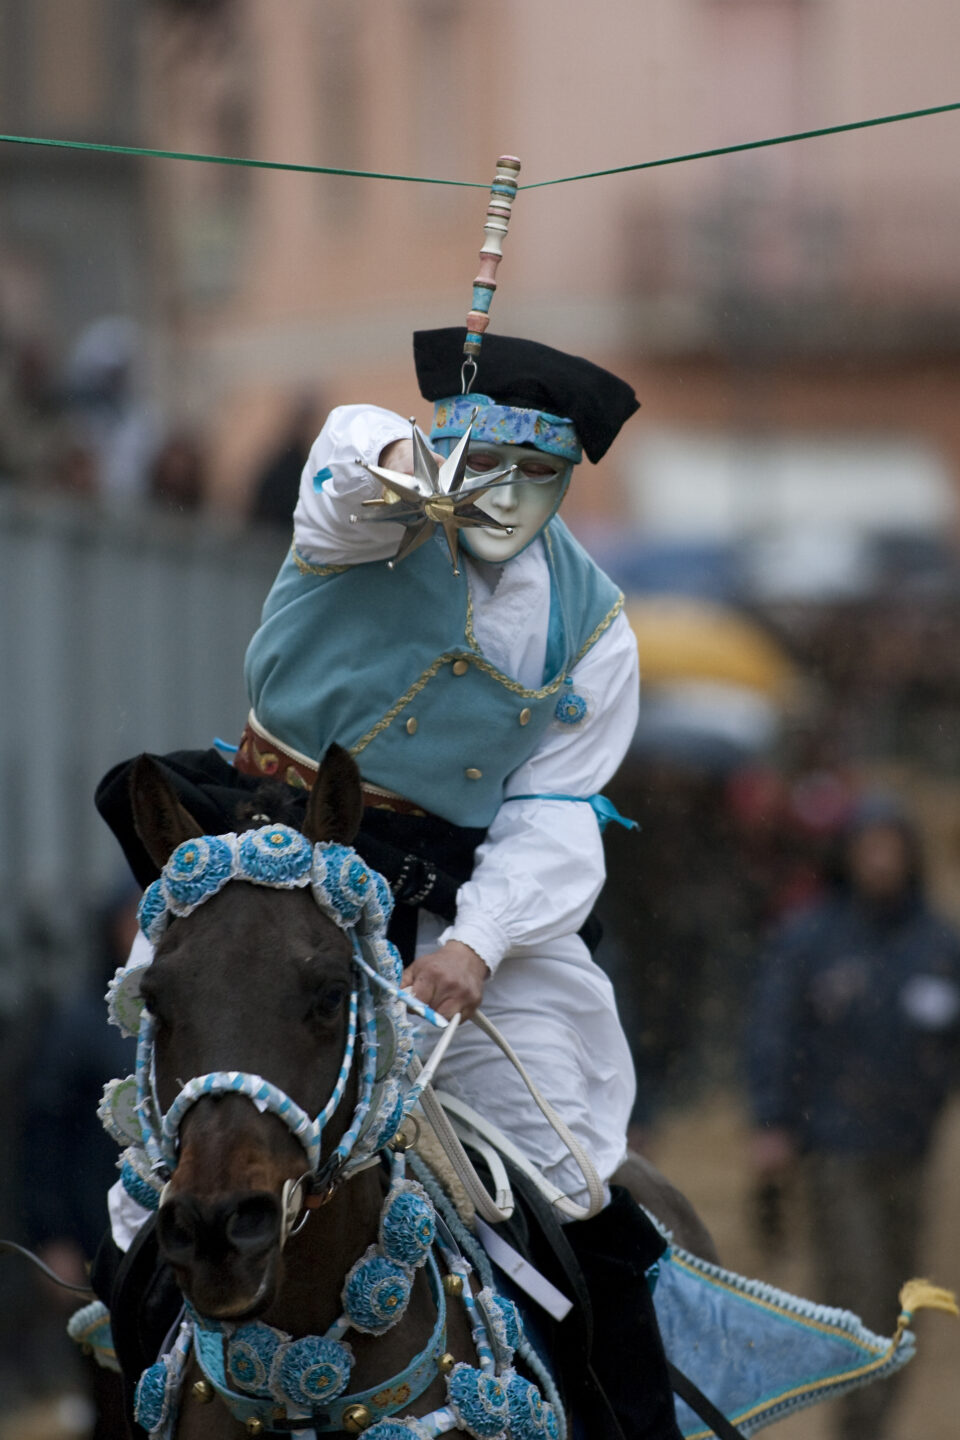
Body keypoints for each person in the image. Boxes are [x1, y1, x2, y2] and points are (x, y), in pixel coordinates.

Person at [96, 328, 683, 1438]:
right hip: (268, 855)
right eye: (482, 466)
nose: (503, 496)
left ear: (567, 481)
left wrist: (477, 944)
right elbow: (342, 463)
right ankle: (128, 1385)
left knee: (568, 1181)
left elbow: (555, 806)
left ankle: (621, 1407)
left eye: (534, 476)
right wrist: (412, 478)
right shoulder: (364, 509)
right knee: (160, 1170)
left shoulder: (596, 625)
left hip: (460, 901)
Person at [746, 792, 960, 1440]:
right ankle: (855, 1426)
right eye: (870, 848)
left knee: (907, 1299)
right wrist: (773, 1121)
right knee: (859, 1293)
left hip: (910, 1147)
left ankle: (875, 1422)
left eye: (893, 848)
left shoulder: (936, 942)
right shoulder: (811, 936)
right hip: (835, 1144)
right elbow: (773, 1030)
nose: (881, 861)